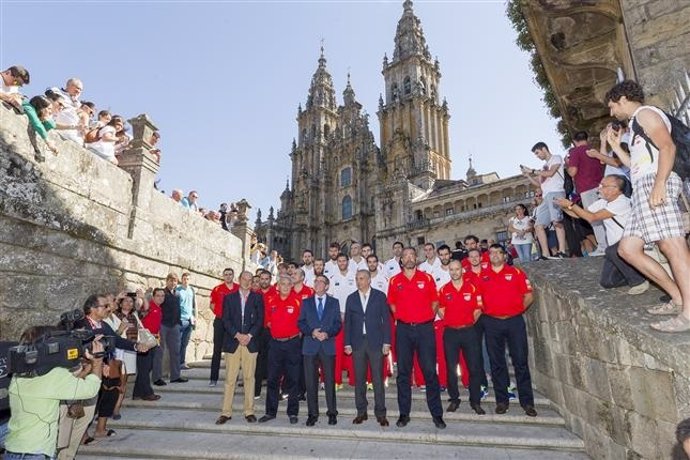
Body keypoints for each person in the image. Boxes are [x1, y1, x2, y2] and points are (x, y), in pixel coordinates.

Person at [605, 80, 690, 332]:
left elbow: (668, 146)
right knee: (628, 248)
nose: (612, 113)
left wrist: (660, 184)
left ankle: (688, 313)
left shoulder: (645, 113)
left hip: (656, 183)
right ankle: (677, 297)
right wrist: (614, 147)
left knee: (672, 245)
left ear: (622, 99)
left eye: (612, 106)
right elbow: (635, 166)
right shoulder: (634, 126)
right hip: (644, 186)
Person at [4, 326, 102, 460]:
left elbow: (59, 381)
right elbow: (91, 389)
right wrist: (97, 361)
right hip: (36, 453)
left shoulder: (18, 374)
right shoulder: (54, 377)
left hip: (12, 450)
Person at [556, 175, 649, 295]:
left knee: (611, 251)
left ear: (615, 189)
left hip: (630, 243)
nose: (599, 188)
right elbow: (581, 215)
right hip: (616, 249)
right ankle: (644, 273)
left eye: (603, 186)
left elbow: (592, 218)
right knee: (607, 282)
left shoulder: (622, 202)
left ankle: (639, 281)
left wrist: (571, 205)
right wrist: (564, 207)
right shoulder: (603, 202)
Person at [387, 247, 445, 429]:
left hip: (424, 329)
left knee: (429, 371)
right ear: (401, 260)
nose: (409, 258)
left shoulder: (426, 278)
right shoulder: (394, 280)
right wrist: (404, 317)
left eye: (412, 255)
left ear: (416, 258)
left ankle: (437, 414)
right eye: (405, 256)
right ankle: (404, 413)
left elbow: (435, 300)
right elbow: (392, 304)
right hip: (404, 330)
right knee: (403, 373)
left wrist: (427, 316)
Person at [478, 244, 537, 416]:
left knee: (520, 361)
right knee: (497, 363)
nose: (495, 255)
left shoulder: (516, 273)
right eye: (492, 253)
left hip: (514, 322)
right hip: (492, 323)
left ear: (505, 256)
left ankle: (527, 402)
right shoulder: (483, 276)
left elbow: (529, 296)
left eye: (498, 252)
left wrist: (517, 311)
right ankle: (502, 401)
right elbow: (478, 299)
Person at [215, 271, 264, 425]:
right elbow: (226, 319)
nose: (247, 282)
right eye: (244, 279)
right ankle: (226, 412)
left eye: (250, 280)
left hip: (251, 342)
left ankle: (249, 411)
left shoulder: (257, 298)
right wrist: (237, 334)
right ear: (239, 279)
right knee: (230, 379)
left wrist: (249, 335)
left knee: (250, 378)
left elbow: (260, 319)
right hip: (233, 342)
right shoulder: (229, 298)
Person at [344, 270, 391, 426]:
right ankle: (361, 412)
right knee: (359, 380)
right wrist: (347, 343)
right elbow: (348, 323)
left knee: (378, 379)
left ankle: (381, 413)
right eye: (357, 279)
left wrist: (386, 342)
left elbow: (387, 321)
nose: (359, 281)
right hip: (357, 343)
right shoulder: (351, 298)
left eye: (362, 278)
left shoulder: (379, 296)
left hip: (376, 343)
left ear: (369, 280)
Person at [438, 260, 485, 415]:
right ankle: (454, 399)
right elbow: (441, 310)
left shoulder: (472, 288)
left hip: (469, 332)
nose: (454, 272)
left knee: (474, 367)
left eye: (457, 269)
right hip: (451, 333)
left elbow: (478, 309)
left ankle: (475, 401)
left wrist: (467, 321)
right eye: (451, 270)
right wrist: (453, 321)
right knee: (451, 368)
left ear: (462, 270)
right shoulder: (444, 290)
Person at [298, 275, 342, 427]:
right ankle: (312, 414)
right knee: (310, 383)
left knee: (329, 381)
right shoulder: (306, 302)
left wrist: (327, 333)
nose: (317, 284)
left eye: (321, 282)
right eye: (315, 281)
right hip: (310, 346)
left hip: (327, 345)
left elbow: (338, 323)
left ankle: (332, 413)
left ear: (327, 286)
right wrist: (312, 332)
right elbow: (301, 323)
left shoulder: (334, 303)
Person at [259, 276, 302, 424]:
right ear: (278, 286)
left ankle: (293, 412)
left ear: (291, 286)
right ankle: (270, 412)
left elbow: (302, 321)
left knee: (293, 379)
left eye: (287, 284)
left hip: (292, 344)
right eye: (282, 284)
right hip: (275, 345)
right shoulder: (271, 300)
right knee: (272, 379)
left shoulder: (298, 300)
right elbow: (267, 321)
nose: (284, 286)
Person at [520, 143, 568, 259]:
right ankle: (545, 254)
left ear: (544, 149)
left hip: (556, 192)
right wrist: (528, 175)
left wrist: (532, 171)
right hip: (546, 196)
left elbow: (551, 173)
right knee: (538, 225)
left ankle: (562, 250)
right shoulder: (543, 167)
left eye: (537, 153)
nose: (537, 156)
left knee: (557, 221)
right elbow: (539, 184)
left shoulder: (556, 158)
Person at [566, 131, 607, 255]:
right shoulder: (592, 149)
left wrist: (568, 164)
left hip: (586, 188)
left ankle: (603, 246)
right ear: (586, 138)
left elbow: (572, 172)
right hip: (600, 186)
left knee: (594, 218)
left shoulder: (574, 152)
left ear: (574, 141)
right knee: (604, 215)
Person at [327, 253, 356, 389]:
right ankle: (337, 380)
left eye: (344, 260)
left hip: (353, 317)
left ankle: (354, 378)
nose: (342, 263)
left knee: (354, 347)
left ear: (348, 262)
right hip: (338, 318)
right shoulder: (332, 278)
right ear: (337, 263)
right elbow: (331, 299)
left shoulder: (355, 276)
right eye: (339, 261)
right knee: (338, 349)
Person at [209, 268, 239, 386]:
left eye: (230, 274)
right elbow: (212, 305)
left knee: (234, 351)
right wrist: (220, 314)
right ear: (223, 276)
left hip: (234, 323)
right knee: (217, 350)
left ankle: (232, 378)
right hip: (220, 322)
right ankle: (213, 378)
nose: (228, 276)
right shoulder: (217, 289)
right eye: (225, 274)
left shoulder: (238, 288)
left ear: (233, 275)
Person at [159, 273, 188, 384]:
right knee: (160, 352)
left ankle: (175, 376)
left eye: (175, 281)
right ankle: (158, 377)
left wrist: (178, 322)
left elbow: (178, 309)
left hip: (175, 325)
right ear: (167, 281)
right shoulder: (162, 293)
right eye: (170, 280)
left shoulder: (178, 294)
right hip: (163, 325)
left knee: (176, 352)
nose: (173, 283)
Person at [176, 273, 197, 370]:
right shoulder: (178, 290)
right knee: (178, 343)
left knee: (184, 343)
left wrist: (195, 318)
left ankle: (182, 363)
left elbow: (194, 305)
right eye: (184, 279)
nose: (186, 281)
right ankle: (176, 364)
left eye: (188, 279)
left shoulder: (191, 290)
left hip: (190, 320)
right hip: (180, 319)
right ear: (181, 279)